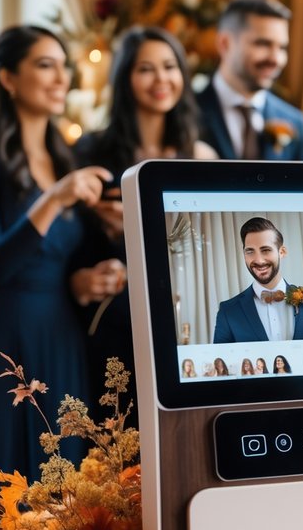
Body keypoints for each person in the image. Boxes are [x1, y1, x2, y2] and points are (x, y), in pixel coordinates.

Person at [0, 25, 113, 530]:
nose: (61, 78)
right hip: (0, 341)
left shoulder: (66, 160)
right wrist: (52, 200)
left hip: (61, 337)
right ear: (8, 78)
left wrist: (89, 275)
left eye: (63, 66)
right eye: (44, 64)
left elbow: (60, 260)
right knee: (1, 494)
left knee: (62, 495)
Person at [75, 26, 216, 412]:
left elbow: (208, 251)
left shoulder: (200, 156)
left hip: (182, 325)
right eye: (146, 69)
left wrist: (135, 229)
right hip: (113, 321)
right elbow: (73, 242)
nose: (161, 79)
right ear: (125, 78)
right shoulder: (91, 152)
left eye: (170, 67)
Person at [196, 0, 303, 160]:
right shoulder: (186, 113)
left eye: (282, 48)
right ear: (225, 44)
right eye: (263, 44)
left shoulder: (295, 122)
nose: (276, 59)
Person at [212, 216, 303, 343]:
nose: (259, 260)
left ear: (282, 252)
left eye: (266, 250)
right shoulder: (228, 311)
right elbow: (221, 356)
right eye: (250, 251)